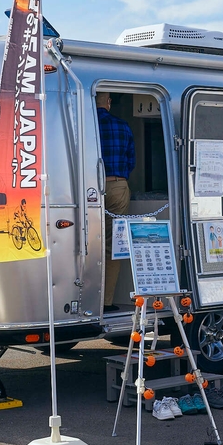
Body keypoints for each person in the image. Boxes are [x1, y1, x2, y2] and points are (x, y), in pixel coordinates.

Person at [97, 92, 136, 311]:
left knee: (87, 244)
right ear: (109, 103)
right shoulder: (123, 126)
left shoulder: (85, 125)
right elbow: (132, 161)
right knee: (112, 246)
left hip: (88, 187)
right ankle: (106, 301)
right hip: (118, 185)